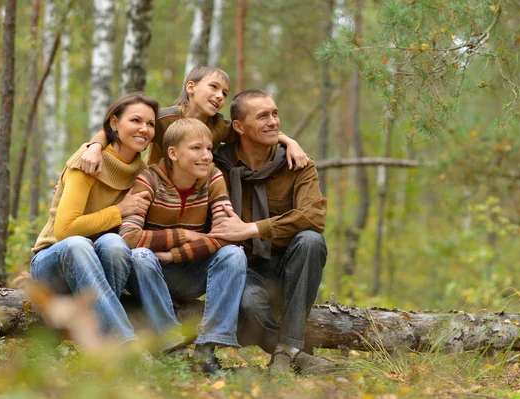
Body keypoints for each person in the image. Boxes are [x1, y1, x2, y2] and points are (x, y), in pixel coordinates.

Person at [30, 93, 183, 349]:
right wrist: (119, 210)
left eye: (150, 124)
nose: (144, 129)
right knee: (78, 244)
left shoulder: (143, 175)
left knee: (114, 242)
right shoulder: (88, 160)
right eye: (135, 120)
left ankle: (99, 344)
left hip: (98, 269)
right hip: (53, 261)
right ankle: (123, 343)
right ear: (114, 123)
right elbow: (65, 230)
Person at [209, 90, 330, 375]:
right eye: (263, 116)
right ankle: (292, 353)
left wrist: (252, 228)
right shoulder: (216, 165)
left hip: (288, 264)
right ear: (238, 127)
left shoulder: (297, 164)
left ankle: (285, 351)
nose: (274, 122)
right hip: (242, 266)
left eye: (275, 114)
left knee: (311, 240)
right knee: (250, 304)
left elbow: (314, 215)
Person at [119, 117, 247, 374]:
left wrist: (172, 255)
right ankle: (172, 350)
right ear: (173, 153)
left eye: (209, 149)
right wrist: (184, 236)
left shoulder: (213, 178)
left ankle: (207, 350)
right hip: (150, 275)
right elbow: (129, 238)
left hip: (189, 271)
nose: (206, 156)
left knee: (234, 254)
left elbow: (228, 233)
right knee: (141, 256)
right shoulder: (149, 180)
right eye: (197, 148)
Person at [80, 66, 310, 175]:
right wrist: (94, 148)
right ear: (191, 87)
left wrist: (290, 141)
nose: (220, 96)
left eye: (224, 93)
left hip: (196, 196)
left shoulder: (219, 127)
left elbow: (252, 129)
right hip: (155, 190)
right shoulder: (163, 120)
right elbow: (116, 131)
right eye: (213, 87)